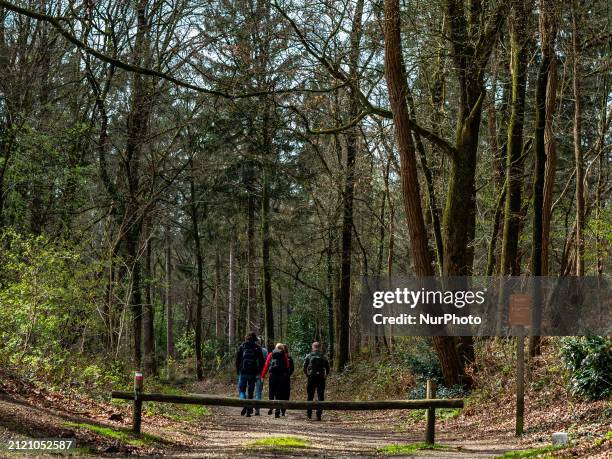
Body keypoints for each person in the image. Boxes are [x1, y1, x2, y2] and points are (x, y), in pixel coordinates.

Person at [235, 331, 265, 417]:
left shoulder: (242, 346)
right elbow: (262, 361)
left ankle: (244, 404)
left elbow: (237, 360)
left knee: (242, 390)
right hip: (253, 373)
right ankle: (248, 411)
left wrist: (238, 370)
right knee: (251, 391)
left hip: (243, 372)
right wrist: (259, 371)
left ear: (247, 337)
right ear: (255, 338)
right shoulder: (257, 347)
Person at [260, 343, 290, 418]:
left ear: (275, 348)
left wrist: (263, 375)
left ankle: (271, 406)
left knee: (271, 391)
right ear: (282, 348)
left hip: (272, 376)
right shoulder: (284, 355)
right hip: (281, 377)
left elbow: (266, 365)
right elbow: (287, 365)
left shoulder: (271, 354)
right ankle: (277, 411)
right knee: (279, 393)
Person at [303, 341, 330, 421]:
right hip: (321, 378)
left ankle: (309, 414)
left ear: (313, 347)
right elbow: (328, 368)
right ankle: (319, 414)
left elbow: (304, 368)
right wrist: (325, 376)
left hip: (311, 378)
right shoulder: (323, 356)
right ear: (319, 347)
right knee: (321, 396)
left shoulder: (309, 356)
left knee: (310, 396)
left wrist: (307, 375)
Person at [254, 336, 269, 416]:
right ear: (260, 342)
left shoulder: (251, 349)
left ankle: (248, 407)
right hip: (260, 374)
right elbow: (267, 363)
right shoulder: (264, 351)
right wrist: (264, 373)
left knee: (250, 390)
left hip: (251, 373)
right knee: (258, 392)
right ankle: (257, 409)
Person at [280, 344, 295, 416]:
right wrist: (288, 374)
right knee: (286, 393)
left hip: (280, 377)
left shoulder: (278, 356)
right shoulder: (289, 357)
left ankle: (280, 408)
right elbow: (292, 368)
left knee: (280, 393)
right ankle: (283, 409)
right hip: (286, 378)